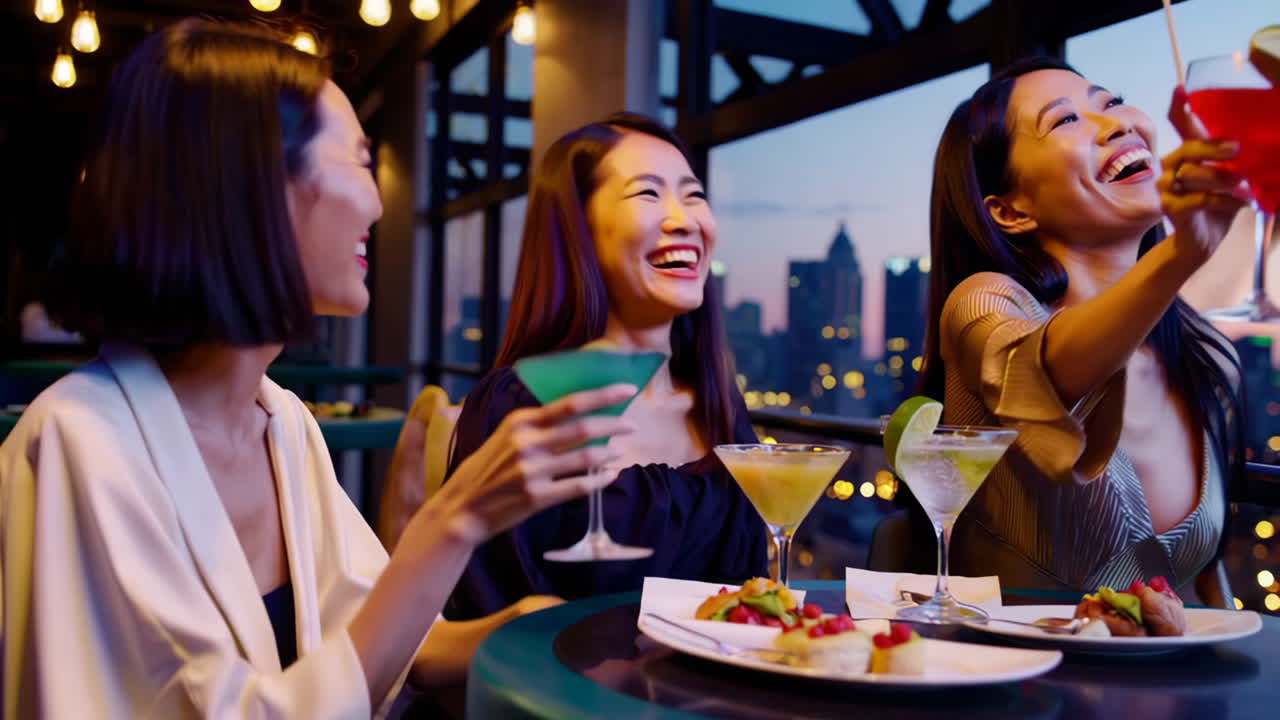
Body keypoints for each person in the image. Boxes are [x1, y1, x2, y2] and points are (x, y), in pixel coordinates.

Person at [0, 20, 639, 718]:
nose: (378, 199)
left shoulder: (282, 424)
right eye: (359, 160)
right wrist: (453, 521)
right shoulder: (77, 441)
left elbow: (380, 639)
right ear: (254, 187)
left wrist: (532, 625)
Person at [920, 56, 1249, 604]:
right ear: (1010, 211)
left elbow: (1203, 593)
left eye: (1112, 102)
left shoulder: (1207, 359)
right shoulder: (983, 306)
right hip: (1007, 682)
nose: (1116, 124)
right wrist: (1181, 253)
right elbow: (1043, 371)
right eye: (1065, 120)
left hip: (1168, 686)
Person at [438, 114, 769, 620]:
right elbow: (485, 618)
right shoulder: (521, 404)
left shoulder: (720, 408)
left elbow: (751, 599)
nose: (685, 220)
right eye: (648, 194)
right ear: (578, 231)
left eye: (694, 195)